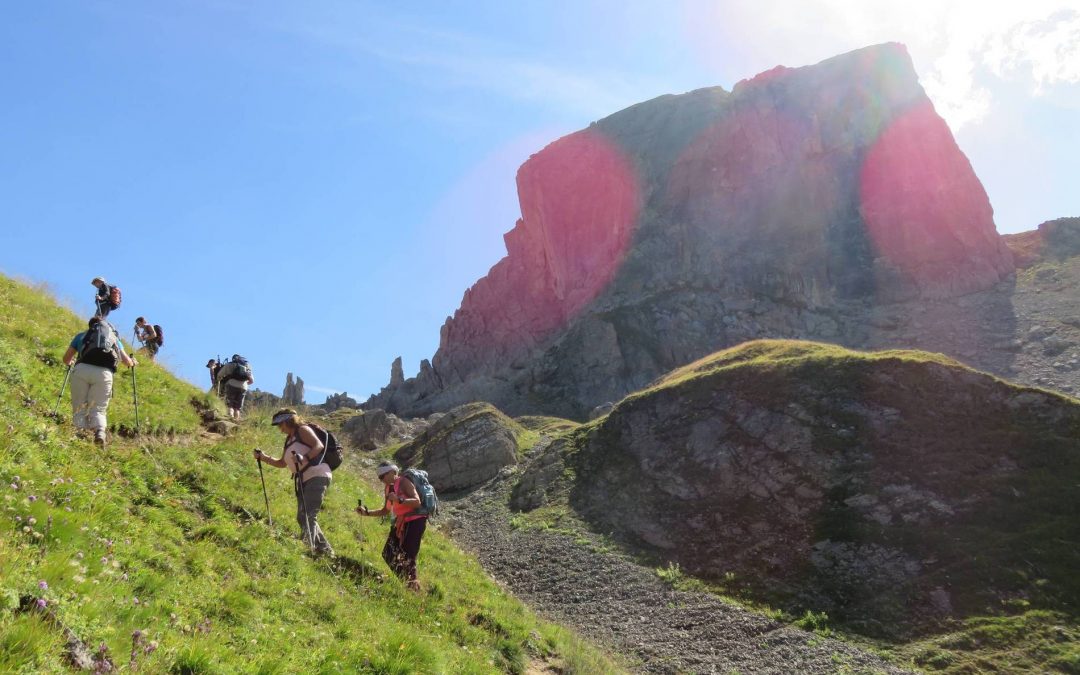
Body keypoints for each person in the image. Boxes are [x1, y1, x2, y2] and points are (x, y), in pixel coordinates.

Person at [254, 409, 334, 556]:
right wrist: (263, 457)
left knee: (308, 514)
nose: (280, 429)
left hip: (317, 474)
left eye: (280, 424)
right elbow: (282, 463)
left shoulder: (302, 430)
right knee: (302, 516)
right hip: (304, 479)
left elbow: (318, 446)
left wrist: (305, 458)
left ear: (287, 421)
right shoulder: (289, 439)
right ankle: (325, 551)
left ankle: (309, 549)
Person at [62, 317, 136, 446]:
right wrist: (133, 362)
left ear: (90, 326)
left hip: (82, 369)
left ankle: (81, 435)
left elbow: (66, 358)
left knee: (79, 407)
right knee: (99, 409)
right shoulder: (114, 338)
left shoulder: (82, 336)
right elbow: (126, 361)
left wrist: (71, 362)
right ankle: (100, 433)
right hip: (105, 374)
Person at [357, 462, 427, 591]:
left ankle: (413, 589)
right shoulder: (388, 488)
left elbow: (417, 502)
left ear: (392, 472)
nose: (381, 479)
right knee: (388, 553)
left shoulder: (404, 482)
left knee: (408, 555)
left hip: (415, 521)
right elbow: (385, 510)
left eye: (383, 475)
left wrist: (399, 499)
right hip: (401, 522)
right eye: (379, 477)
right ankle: (408, 584)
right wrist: (367, 513)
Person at [215, 354, 253, 419]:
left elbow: (219, 375)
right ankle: (237, 420)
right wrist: (244, 383)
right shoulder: (246, 366)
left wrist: (219, 380)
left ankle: (231, 418)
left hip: (231, 385)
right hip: (243, 387)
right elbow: (252, 381)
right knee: (237, 408)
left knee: (230, 405)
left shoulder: (229, 364)